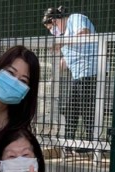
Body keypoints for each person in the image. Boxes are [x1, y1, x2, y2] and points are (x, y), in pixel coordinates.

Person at [42, 6, 98, 150]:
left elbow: (84, 34)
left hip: (91, 71)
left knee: (87, 109)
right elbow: (66, 60)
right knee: (71, 109)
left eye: (50, 28)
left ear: (55, 21)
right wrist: (51, 73)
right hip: (78, 74)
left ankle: (91, 144)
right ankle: (69, 143)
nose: (51, 32)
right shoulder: (61, 36)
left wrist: (62, 43)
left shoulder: (76, 18)